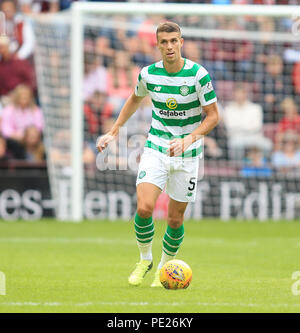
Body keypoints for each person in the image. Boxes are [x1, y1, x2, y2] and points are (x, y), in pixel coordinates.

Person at [96, 22, 219, 287]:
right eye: (164, 42)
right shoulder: (148, 74)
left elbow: (213, 116)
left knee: (175, 219)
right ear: (158, 45)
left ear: (181, 42)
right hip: (156, 148)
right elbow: (134, 99)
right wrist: (113, 131)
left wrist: (188, 139)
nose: (169, 46)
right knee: (144, 207)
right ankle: (145, 259)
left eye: (174, 41)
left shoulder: (198, 75)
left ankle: (165, 267)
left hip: (188, 154)